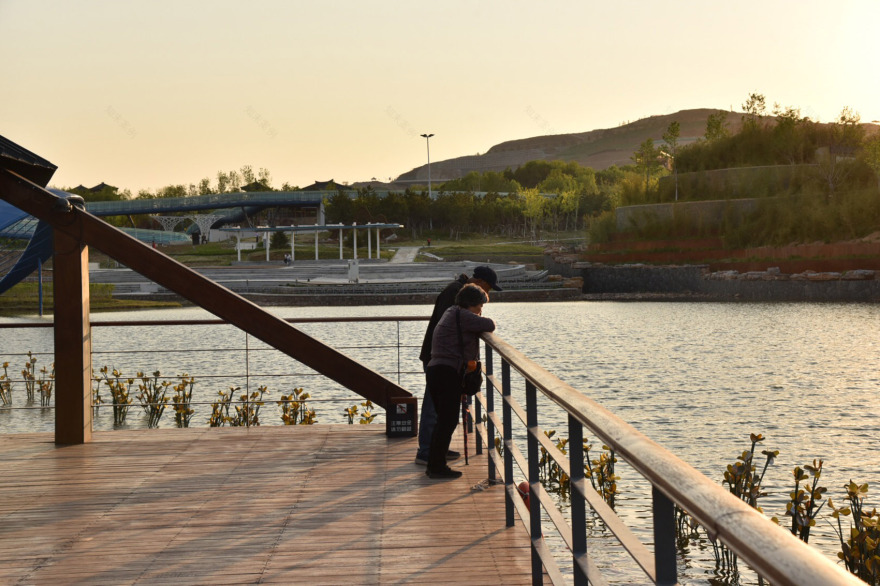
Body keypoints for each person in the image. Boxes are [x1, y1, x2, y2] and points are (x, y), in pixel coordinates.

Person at [415, 266, 503, 466]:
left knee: (442, 409)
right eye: (487, 290)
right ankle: (427, 451)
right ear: (479, 283)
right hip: (440, 360)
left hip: (440, 358)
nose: (486, 297)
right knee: (434, 407)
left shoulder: (456, 290)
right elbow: (471, 323)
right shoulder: (457, 294)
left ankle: (436, 450)